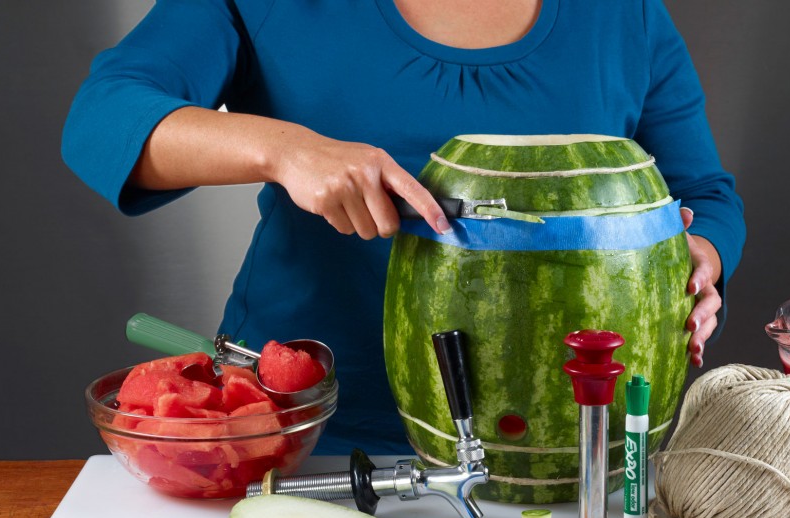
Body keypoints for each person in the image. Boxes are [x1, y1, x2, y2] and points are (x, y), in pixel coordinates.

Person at [62, 0, 745, 455]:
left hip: (571, 451)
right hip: (302, 434)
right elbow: (101, 118)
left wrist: (697, 255)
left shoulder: (626, 16)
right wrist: (285, 148)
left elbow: (704, 195)